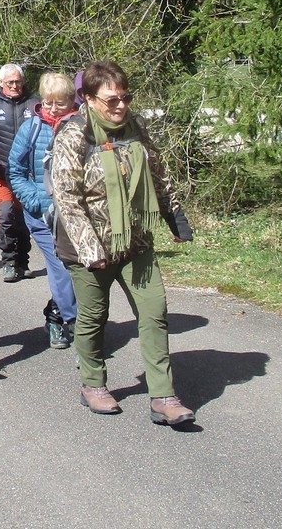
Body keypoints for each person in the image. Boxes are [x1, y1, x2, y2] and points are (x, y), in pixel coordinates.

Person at [48, 60, 195, 425]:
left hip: (135, 240)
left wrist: (174, 215)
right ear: (88, 98)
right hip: (88, 245)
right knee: (94, 317)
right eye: (111, 99)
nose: (120, 105)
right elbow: (67, 198)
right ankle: (93, 384)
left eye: (125, 97)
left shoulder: (135, 126)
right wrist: (90, 249)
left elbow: (157, 173)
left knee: (154, 312)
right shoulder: (74, 134)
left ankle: (163, 395)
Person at [9, 72, 79, 349]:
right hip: (42, 216)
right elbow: (15, 170)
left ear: (71, 101)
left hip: (76, 216)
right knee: (62, 266)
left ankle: (55, 315)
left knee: (79, 269)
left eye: (59, 103)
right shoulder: (32, 128)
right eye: (48, 102)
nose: (52, 108)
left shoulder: (82, 127)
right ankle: (75, 325)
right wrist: (34, 200)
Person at [0, 64, 40, 281]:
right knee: (5, 216)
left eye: (18, 81)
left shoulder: (35, 103)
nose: (14, 86)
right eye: (10, 82)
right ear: (1, 82)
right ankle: (9, 262)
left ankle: (23, 261)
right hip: (1, 173)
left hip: (29, 175)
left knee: (24, 219)